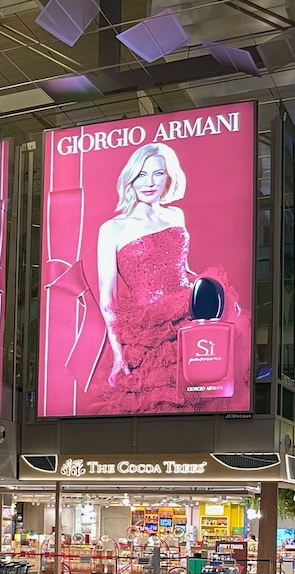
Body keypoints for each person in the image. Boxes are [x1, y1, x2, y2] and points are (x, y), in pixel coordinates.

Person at [93, 141, 240, 413]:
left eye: (158, 173)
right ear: (131, 178)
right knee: (159, 408)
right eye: (141, 174)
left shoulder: (176, 215)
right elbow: (107, 297)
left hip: (189, 319)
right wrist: (117, 353)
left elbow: (180, 268)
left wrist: (217, 292)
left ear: (169, 176)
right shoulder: (112, 228)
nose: (149, 182)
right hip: (148, 333)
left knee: (206, 399)